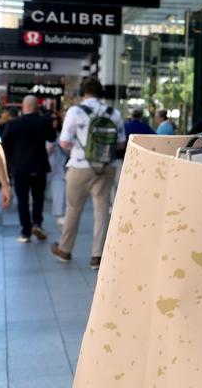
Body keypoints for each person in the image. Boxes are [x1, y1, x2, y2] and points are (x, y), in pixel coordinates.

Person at [52, 77, 126, 269]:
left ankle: (65, 250)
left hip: (79, 166)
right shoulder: (114, 113)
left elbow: (64, 142)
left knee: (73, 208)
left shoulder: (75, 111)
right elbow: (120, 143)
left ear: (82, 93)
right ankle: (98, 256)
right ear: (101, 93)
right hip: (105, 167)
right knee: (102, 210)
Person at [2, 96, 56, 242]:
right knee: (38, 197)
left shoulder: (12, 124)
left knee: (23, 200)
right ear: (36, 107)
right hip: (39, 166)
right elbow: (52, 138)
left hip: (19, 168)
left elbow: (5, 146)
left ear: (23, 106)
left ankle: (25, 232)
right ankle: (37, 223)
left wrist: (11, 161)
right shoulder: (43, 122)